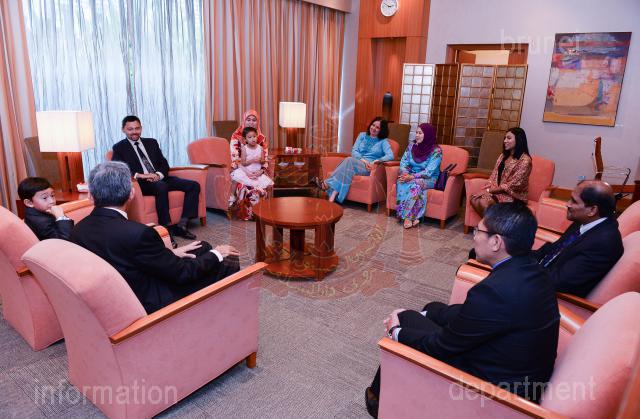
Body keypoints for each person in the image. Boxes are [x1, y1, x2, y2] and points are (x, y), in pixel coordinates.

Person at [365, 202, 559, 417]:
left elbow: (441, 346)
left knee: (405, 318)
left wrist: (396, 332)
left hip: (494, 390)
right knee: (432, 308)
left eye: (478, 231)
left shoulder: (495, 291)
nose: (474, 237)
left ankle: (378, 404)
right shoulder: (534, 270)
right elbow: (482, 315)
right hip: (513, 367)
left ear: (496, 242)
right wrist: (428, 313)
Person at [71, 161, 240, 313]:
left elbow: (124, 256)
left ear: (90, 196)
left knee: (202, 246)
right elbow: (182, 273)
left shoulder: (78, 230)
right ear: (131, 194)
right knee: (226, 258)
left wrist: (171, 253)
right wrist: (217, 254)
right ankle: (224, 314)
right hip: (154, 300)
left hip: (126, 288)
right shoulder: (139, 233)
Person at [112, 115, 200, 241]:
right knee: (161, 186)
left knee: (193, 185)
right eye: (130, 129)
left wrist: (158, 175)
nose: (134, 132)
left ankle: (182, 225)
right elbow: (118, 169)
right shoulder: (119, 148)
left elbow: (164, 163)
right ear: (123, 130)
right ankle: (166, 228)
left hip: (159, 178)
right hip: (141, 183)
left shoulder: (151, 142)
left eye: (137, 128)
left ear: (141, 128)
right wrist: (141, 175)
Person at [534, 180, 623, 297]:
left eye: (574, 201)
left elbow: (559, 282)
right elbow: (554, 248)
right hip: (540, 274)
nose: (567, 204)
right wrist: (518, 257)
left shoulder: (603, 244)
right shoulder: (585, 221)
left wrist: (522, 267)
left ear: (592, 210)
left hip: (545, 294)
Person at [317, 117, 394, 203]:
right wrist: (363, 160)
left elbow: (390, 155)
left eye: (377, 127)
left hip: (368, 168)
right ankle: (334, 194)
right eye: (373, 125)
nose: (374, 128)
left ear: (381, 130)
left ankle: (327, 184)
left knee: (349, 160)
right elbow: (354, 151)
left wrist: (376, 161)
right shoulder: (362, 135)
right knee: (348, 166)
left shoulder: (383, 142)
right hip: (357, 162)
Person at [470, 127, 532, 216]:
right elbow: (494, 174)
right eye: (505, 138)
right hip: (498, 192)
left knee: (483, 202)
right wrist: (489, 185)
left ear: (519, 140)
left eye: (509, 138)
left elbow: (511, 185)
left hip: (513, 197)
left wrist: (488, 191)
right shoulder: (503, 156)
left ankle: (491, 223)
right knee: (474, 198)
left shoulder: (525, 161)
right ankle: (492, 223)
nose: (505, 141)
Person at [395, 123, 442, 229]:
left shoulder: (437, 151)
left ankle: (407, 217)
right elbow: (403, 162)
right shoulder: (411, 146)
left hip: (429, 178)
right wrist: (405, 174)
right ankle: (415, 217)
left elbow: (429, 172)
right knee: (401, 180)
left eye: (420, 133)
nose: (417, 135)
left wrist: (411, 177)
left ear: (428, 135)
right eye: (416, 132)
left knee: (416, 184)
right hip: (410, 174)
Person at [229, 110, 270, 220]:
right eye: (248, 119)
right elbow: (235, 159)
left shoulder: (261, 138)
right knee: (246, 188)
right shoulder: (236, 136)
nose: (251, 122)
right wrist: (247, 172)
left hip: (257, 171)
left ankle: (260, 213)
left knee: (260, 188)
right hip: (241, 169)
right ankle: (246, 213)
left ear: (258, 122)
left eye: (254, 120)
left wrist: (261, 171)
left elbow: (265, 158)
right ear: (244, 121)